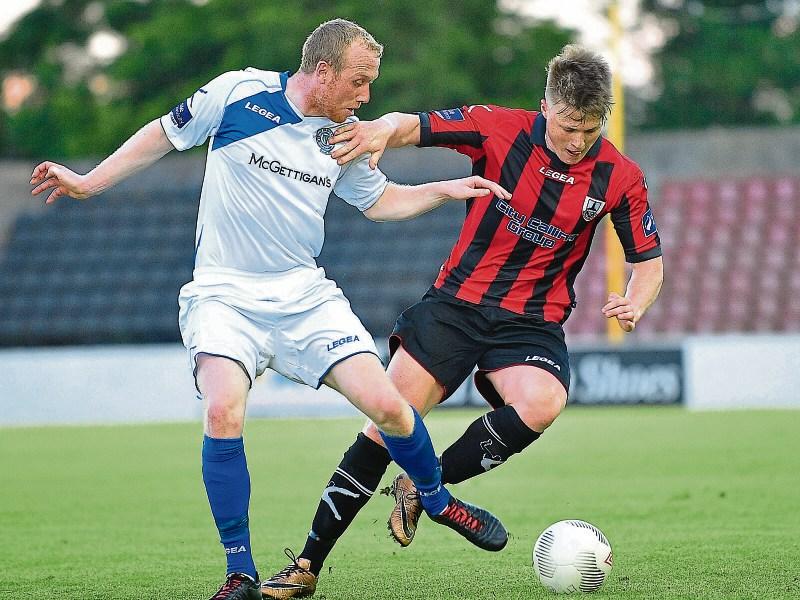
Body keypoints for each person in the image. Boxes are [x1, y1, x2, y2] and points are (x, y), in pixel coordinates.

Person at [29, 19, 512, 600]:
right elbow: (161, 134)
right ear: (323, 71)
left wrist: (442, 189)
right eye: (359, 82)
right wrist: (89, 182)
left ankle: (436, 500)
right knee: (223, 413)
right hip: (224, 295)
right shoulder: (238, 92)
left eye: (371, 84)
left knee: (391, 406)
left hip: (305, 297)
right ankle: (240, 572)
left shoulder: (345, 134)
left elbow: (378, 201)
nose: (366, 98)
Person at [261, 44, 664, 599]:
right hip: (456, 306)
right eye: (569, 125)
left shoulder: (620, 176)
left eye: (590, 130)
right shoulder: (497, 129)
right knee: (387, 423)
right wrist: (376, 132)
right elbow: (414, 125)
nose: (577, 141)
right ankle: (306, 565)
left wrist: (637, 302)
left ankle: (424, 486)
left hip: (531, 323)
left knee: (544, 402)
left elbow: (647, 262)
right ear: (546, 106)